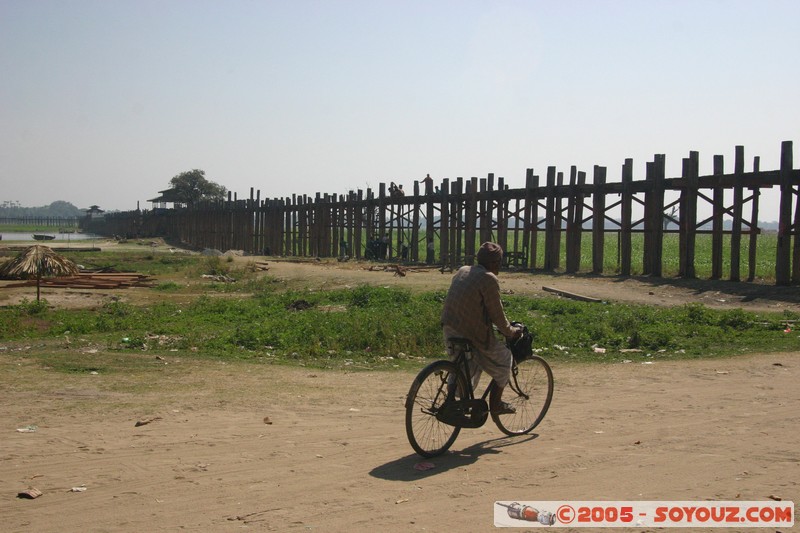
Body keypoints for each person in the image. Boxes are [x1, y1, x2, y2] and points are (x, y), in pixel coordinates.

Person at [440, 242, 522, 414]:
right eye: (499, 261)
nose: (500, 265)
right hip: (471, 334)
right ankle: (496, 405)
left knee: (466, 365)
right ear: (494, 263)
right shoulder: (489, 278)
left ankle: (455, 402)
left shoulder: (463, 270)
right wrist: (510, 331)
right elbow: (497, 314)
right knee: (505, 359)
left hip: (449, 328)